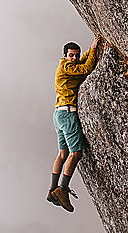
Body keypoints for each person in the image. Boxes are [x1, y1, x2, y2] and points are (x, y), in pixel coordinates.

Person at [46, 37, 100, 212]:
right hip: (68, 114)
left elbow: (81, 62)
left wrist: (90, 49)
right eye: (71, 55)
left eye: (76, 55)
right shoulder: (66, 67)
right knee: (75, 153)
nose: (74, 58)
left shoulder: (66, 65)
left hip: (58, 114)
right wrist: (93, 51)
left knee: (63, 153)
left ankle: (52, 189)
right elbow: (86, 68)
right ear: (64, 55)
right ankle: (62, 189)